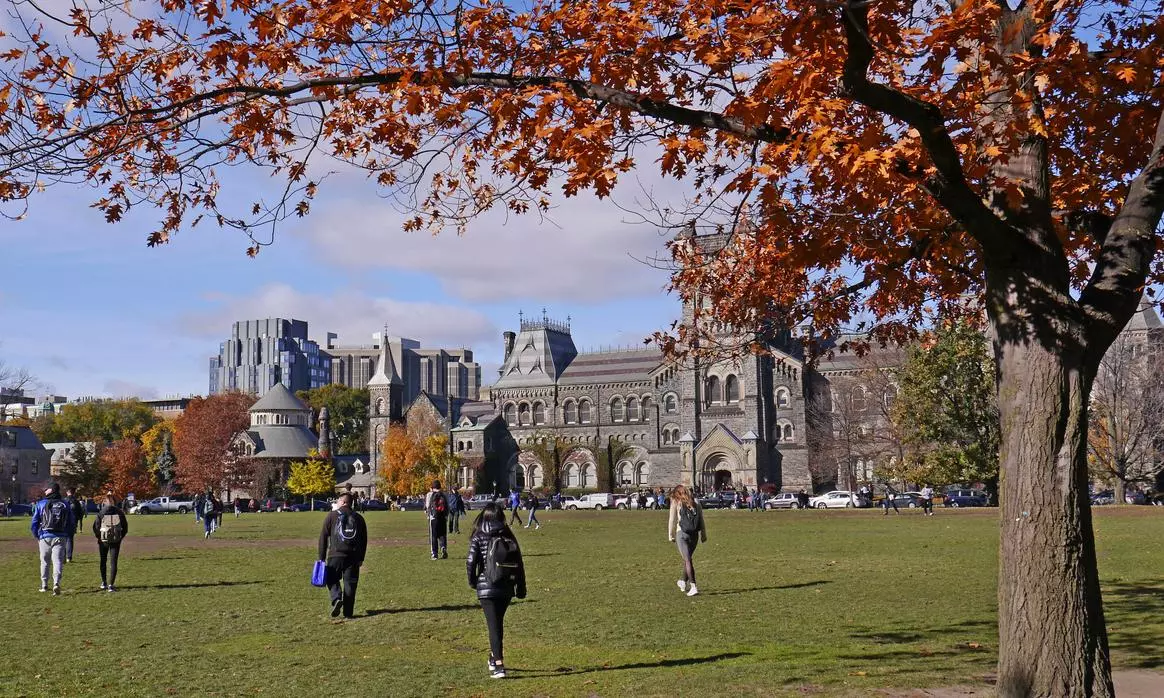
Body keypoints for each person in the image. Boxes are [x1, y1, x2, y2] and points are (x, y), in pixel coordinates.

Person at [466, 502, 527, 679]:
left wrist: (473, 582)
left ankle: (499, 665)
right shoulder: (508, 534)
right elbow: (519, 563)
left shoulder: (478, 535)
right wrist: (521, 587)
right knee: (497, 624)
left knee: (494, 626)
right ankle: (493, 657)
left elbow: (470, 562)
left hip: (487, 587)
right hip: (506, 587)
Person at [317, 493, 368, 618]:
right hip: (353, 557)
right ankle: (348, 613)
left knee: (331, 578)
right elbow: (364, 540)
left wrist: (321, 557)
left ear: (343, 502)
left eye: (338, 501)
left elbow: (323, 537)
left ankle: (336, 597)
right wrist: (361, 558)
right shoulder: (359, 518)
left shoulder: (332, 516)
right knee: (350, 584)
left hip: (335, 554)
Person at [31, 482, 74, 595]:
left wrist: (37, 535)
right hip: (60, 536)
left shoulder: (41, 504)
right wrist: (68, 534)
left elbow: (35, 522)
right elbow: (71, 522)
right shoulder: (64, 504)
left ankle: (44, 585)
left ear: (50, 490)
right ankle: (56, 583)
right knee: (57, 561)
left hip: (45, 536)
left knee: (44, 561)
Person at [667, 484, 707, 597]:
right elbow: (701, 519)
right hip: (694, 535)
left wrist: (671, 535)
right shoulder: (696, 501)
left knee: (687, 560)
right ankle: (683, 581)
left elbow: (672, 519)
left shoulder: (676, 501)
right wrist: (703, 534)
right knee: (687, 558)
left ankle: (693, 586)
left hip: (682, 533)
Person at [91, 495, 128, 592]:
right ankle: (111, 584)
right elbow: (125, 527)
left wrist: (99, 537)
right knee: (113, 562)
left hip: (103, 541)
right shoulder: (119, 512)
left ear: (105, 502)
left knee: (103, 561)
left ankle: (104, 582)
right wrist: (120, 537)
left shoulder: (101, 512)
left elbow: (95, 527)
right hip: (116, 541)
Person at [424, 480, 450, 560]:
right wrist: (446, 516)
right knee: (442, 535)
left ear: (433, 487)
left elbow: (428, 506)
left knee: (433, 536)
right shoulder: (444, 494)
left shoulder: (429, 494)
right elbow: (448, 506)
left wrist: (428, 515)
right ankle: (443, 547)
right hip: (442, 517)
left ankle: (434, 554)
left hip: (434, 518)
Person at [64, 487, 84, 563]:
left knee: (63, 539)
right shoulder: (76, 502)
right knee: (70, 539)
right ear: (74, 493)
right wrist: (76, 520)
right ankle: (69, 557)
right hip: (72, 523)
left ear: (67, 492)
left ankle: (63, 556)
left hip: (64, 523)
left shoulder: (64, 501)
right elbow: (80, 513)